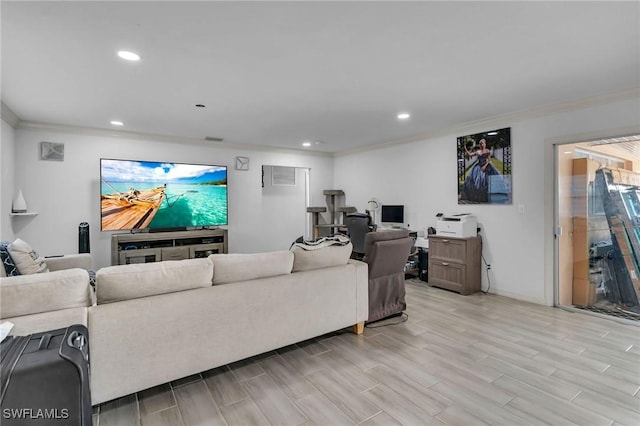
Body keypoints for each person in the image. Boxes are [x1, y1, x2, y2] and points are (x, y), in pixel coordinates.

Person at [460, 138, 500, 202]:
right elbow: (470, 154)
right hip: (478, 167)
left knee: (486, 181)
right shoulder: (478, 152)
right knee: (471, 178)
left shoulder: (487, 151)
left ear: (485, 144)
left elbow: (489, 160)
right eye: (481, 144)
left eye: (483, 143)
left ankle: (487, 196)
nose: (482, 145)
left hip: (486, 166)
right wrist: (465, 148)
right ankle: (477, 196)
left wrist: (484, 166)